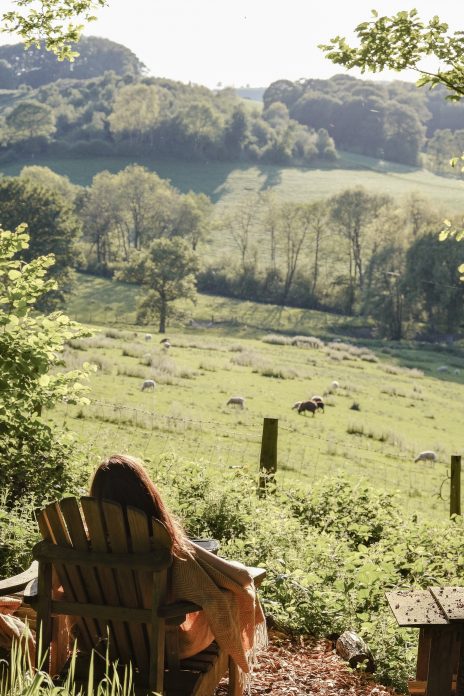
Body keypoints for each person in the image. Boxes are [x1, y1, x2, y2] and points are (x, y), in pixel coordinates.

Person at [89, 454, 267, 692]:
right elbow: (208, 594)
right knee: (226, 599)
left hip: (101, 643)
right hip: (162, 648)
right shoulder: (162, 546)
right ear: (146, 495)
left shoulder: (82, 546)